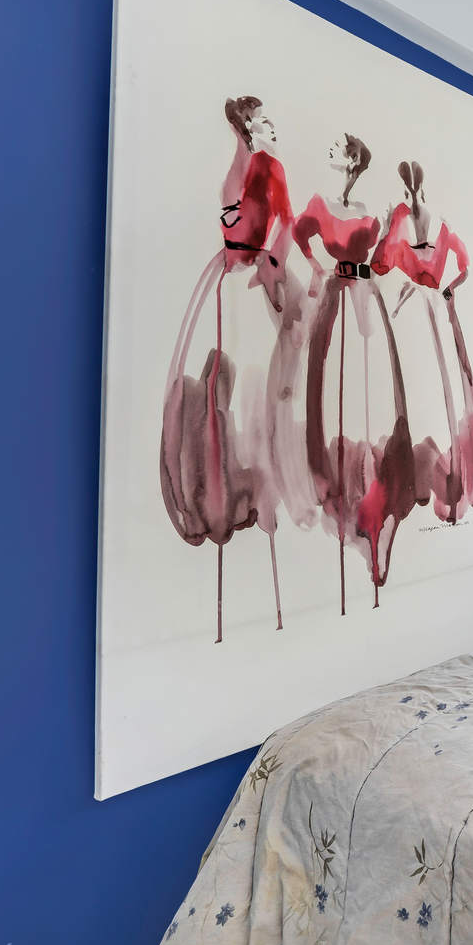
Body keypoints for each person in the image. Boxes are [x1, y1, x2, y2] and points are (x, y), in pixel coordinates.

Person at [160, 95, 302, 641]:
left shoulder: (270, 167)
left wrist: (271, 265)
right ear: (248, 124)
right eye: (264, 119)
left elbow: (285, 225)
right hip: (228, 279)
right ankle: (221, 500)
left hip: (247, 281)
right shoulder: (243, 164)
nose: (271, 125)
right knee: (221, 397)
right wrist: (242, 238)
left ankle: (269, 560)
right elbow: (238, 219)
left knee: (250, 405)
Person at [293, 134, 416, 612]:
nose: (329, 153)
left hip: (367, 299)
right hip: (338, 298)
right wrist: (315, 268)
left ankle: (375, 509)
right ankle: (344, 504)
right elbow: (301, 235)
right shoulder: (320, 204)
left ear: (351, 160)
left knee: (371, 391)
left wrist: (385, 232)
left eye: (336, 149)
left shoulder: (365, 209)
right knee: (333, 391)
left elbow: (379, 263)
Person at [374, 160, 473, 523]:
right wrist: (447, 290)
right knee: (437, 385)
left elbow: (381, 265)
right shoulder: (437, 223)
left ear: (409, 189)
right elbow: (464, 265)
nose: (408, 196)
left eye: (406, 189)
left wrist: (387, 230)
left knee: (427, 386)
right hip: (429, 306)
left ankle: (431, 477)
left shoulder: (406, 222)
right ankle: (436, 476)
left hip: (419, 309)